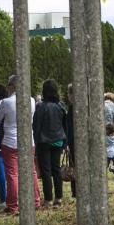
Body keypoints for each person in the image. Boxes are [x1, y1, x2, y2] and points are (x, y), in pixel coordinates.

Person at [0, 74, 40, 215]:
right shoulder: (31, 100)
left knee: (12, 174)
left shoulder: (6, 102)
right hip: (28, 140)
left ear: (12, 86)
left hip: (10, 141)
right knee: (31, 171)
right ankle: (35, 200)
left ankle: (13, 204)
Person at [33, 79, 68, 208]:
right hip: (58, 140)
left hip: (43, 141)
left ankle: (48, 198)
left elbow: (36, 125)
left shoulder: (41, 107)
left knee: (46, 171)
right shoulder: (61, 106)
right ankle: (59, 198)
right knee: (56, 169)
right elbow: (65, 125)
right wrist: (65, 142)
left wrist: (35, 142)